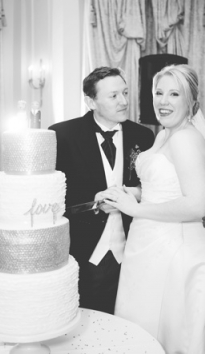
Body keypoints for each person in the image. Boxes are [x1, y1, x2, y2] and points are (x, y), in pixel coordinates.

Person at [106, 64, 205, 353]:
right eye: (158, 92)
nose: (163, 101)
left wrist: (134, 210)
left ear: (191, 101)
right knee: (142, 325)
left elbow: (198, 204)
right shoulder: (165, 134)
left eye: (174, 94)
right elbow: (162, 188)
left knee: (164, 329)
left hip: (172, 249)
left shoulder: (186, 138)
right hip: (148, 242)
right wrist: (131, 193)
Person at [49, 67, 154, 314]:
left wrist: (134, 193)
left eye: (125, 93)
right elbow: (51, 197)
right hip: (84, 247)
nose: (124, 101)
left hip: (133, 245)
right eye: (114, 96)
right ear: (90, 101)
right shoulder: (61, 135)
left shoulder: (144, 135)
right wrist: (91, 202)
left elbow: (152, 186)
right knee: (84, 316)